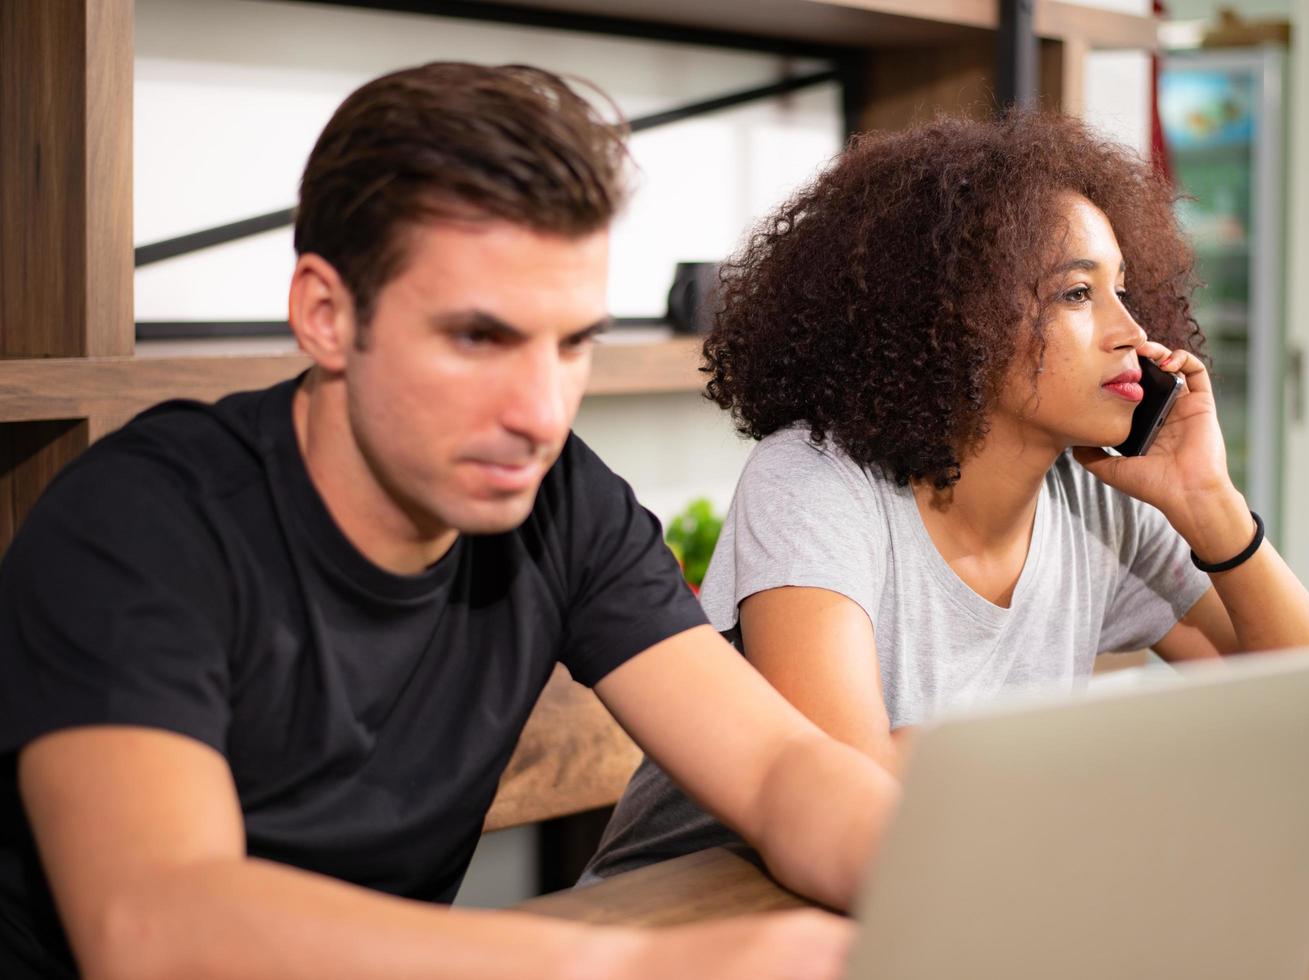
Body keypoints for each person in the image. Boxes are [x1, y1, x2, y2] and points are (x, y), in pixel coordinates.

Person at [0, 62, 897, 980]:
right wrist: (628, 968)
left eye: (572, 342)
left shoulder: (559, 501)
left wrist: (942, 883)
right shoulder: (136, 525)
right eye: (479, 338)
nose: (541, 413)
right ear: (324, 314)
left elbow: (778, 770)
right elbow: (157, 926)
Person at [582, 111, 1309, 882]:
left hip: (944, 893)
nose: (1130, 332)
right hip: (693, 908)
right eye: (1077, 293)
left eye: (1123, 289)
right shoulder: (813, 483)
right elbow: (853, 785)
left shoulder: (1103, 498)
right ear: (952, 319)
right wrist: (1116, 747)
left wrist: (1208, 501)